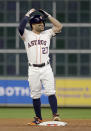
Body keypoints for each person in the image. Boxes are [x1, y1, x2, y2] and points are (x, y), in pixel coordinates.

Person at [18, 8, 63, 125]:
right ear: (32, 25)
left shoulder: (47, 33)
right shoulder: (26, 35)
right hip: (33, 69)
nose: (42, 24)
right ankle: (38, 118)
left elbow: (59, 26)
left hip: (46, 68)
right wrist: (27, 14)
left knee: (50, 91)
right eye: (39, 23)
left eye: (43, 23)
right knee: (35, 94)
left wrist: (48, 15)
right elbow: (20, 28)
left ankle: (55, 115)